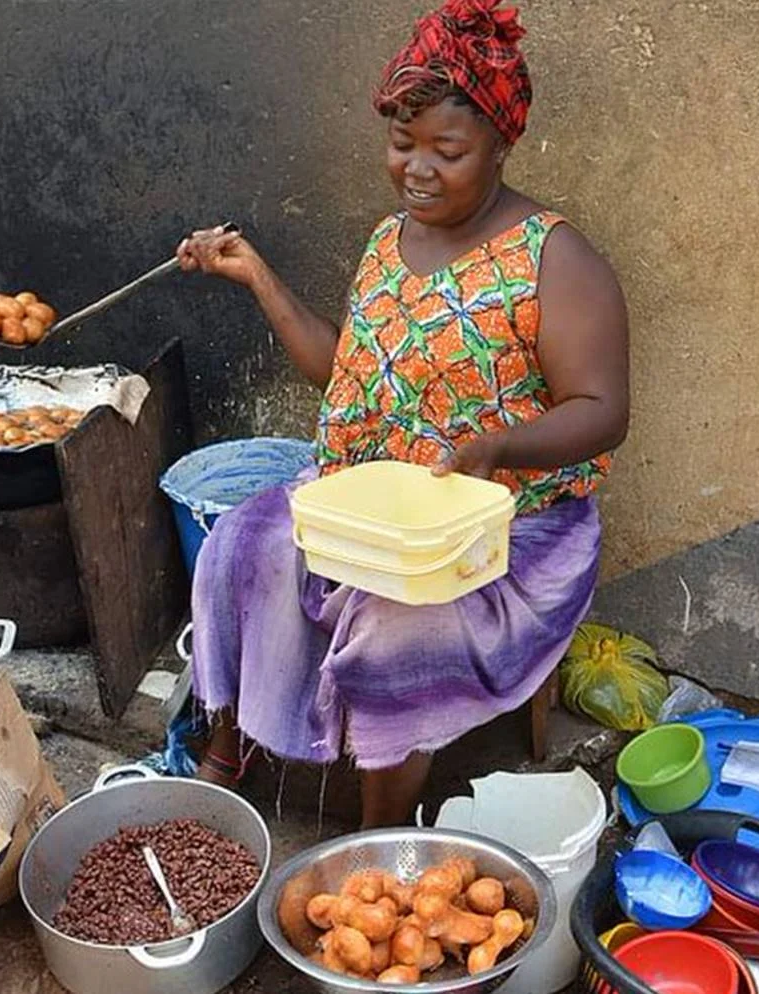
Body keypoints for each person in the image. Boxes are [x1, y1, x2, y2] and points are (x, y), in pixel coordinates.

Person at [175, 0, 629, 828]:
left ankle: (377, 830)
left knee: (394, 627)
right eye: (401, 145)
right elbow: (345, 371)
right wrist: (257, 278)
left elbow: (602, 412)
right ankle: (227, 745)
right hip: (373, 503)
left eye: (446, 152)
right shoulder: (390, 241)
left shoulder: (555, 258)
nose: (417, 169)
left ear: (499, 143)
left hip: (499, 535)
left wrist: (498, 448)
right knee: (245, 542)